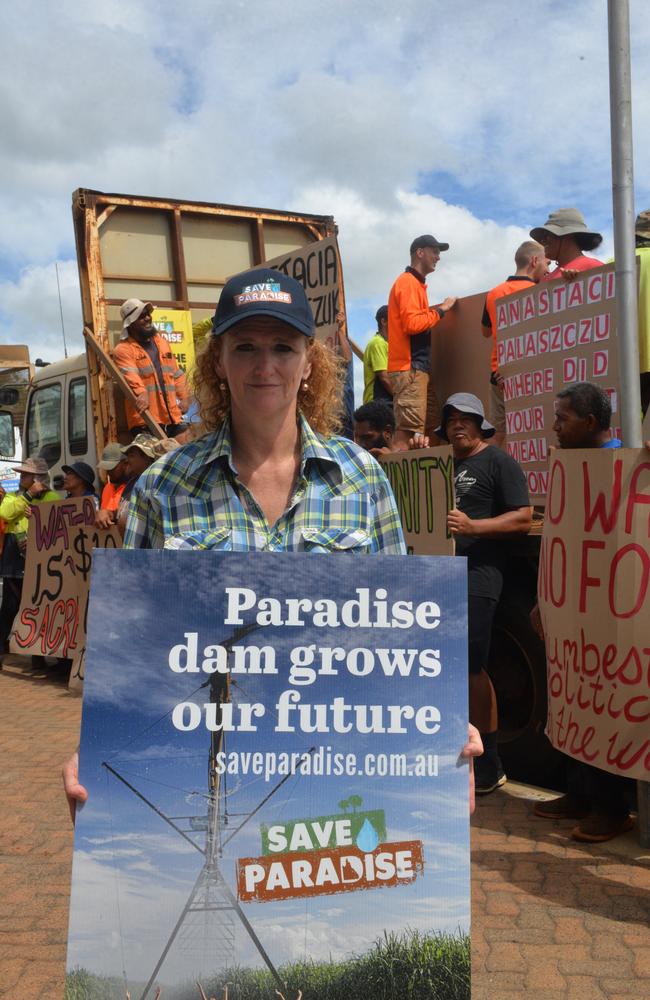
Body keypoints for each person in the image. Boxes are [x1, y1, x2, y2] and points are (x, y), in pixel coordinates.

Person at [63, 268, 483, 815]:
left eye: (283, 347)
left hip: (335, 768)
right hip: (200, 767)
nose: (265, 366)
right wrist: (98, 748)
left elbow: (397, 641)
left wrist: (441, 732)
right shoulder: (162, 488)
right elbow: (132, 647)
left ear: (310, 361)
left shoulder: (362, 478)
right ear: (218, 361)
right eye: (245, 347)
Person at [532, 382, 635, 843]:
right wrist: (545, 598)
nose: (554, 425)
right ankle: (578, 793)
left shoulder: (628, 469)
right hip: (571, 606)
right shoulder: (568, 469)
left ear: (591, 423)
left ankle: (614, 810)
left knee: (606, 700)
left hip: (612, 614)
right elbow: (560, 540)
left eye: (563, 417)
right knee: (572, 697)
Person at [437, 393, 532, 794]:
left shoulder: (498, 462)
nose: (458, 426)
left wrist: (475, 528)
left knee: (472, 667)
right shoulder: (441, 464)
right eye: (451, 420)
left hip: (478, 576)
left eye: (467, 419)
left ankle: (491, 763)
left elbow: (524, 517)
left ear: (481, 426)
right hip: (439, 575)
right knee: (445, 665)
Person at [387, 235, 457, 450]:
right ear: (420, 252)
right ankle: (394, 481)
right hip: (410, 369)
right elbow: (412, 324)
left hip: (417, 370)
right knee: (407, 430)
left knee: (432, 425)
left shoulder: (414, 284)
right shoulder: (407, 283)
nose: (438, 257)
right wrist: (441, 310)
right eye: (434, 251)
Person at [481, 241, 549, 447]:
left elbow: (485, 331)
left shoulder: (494, 293)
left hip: (499, 374)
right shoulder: (541, 291)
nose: (548, 270)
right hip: (534, 375)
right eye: (547, 263)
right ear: (535, 261)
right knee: (535, 429)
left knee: (498, 433)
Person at [0, 458, 60, 652]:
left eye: (25, 474)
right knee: (10, 606)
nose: (21, 476)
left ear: (37, 478)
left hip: (42, 557)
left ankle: (40, 655)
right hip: (14, 556)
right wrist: (28, 495)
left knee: (42, 605)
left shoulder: (53, 498)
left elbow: (57, 524)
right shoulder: (12, 497)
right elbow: (5, 513)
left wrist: (36, 515)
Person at [114, 299, 189, 438]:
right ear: (130, 324)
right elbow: (131, 377)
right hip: (145, 421)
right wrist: (141, 392)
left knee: (186, 452)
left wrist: (184, 398)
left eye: (147, 313)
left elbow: (177, 374)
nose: (147, 318)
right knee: (155, 459)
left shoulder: (162, 343)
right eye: (141, 316)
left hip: (173, 418)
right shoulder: (123, 349)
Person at [530, 208, 604, 281]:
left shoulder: (594, 267)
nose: (543, 240)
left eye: (547, 235)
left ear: (567, 235)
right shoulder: (544, 281)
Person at [95, 444, 131, 529]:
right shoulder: (107, 488)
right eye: (107, 468)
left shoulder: (134, 488)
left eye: (112, 468)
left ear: (125, 463)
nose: (108, 472)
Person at [362, 306, 392, 405]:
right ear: (384, 321)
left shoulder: (387, 344)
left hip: (384, 401)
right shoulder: (377, 343)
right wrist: (400, 398)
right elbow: (384, 378)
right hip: (377, 403)